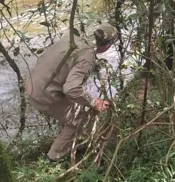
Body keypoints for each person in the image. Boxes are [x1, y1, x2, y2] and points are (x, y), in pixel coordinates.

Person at [26, 23, 118, 163]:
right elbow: (72, 89)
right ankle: (54, 158)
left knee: (74, 109)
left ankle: (70, 143)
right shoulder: (87, 56)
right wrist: (94, 102)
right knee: (80, 118)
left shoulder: (72, 38)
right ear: (107, 46)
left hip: (33, 85)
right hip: (45, 95)